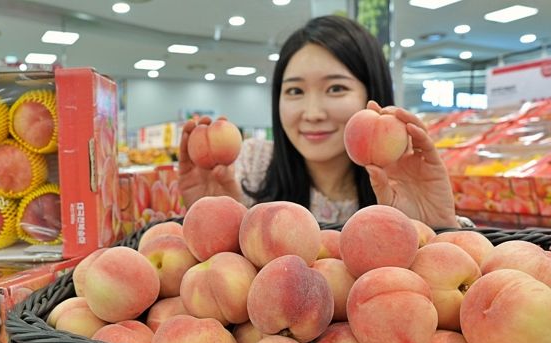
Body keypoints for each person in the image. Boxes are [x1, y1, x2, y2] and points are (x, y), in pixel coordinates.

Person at [178, 15, 461, 229]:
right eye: (295, 91)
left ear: (372, 93)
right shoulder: (250, 167)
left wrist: (436, 228)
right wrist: (217, 221)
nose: (312, 113)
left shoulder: (407, 176)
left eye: (336, 88)